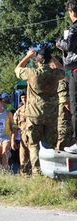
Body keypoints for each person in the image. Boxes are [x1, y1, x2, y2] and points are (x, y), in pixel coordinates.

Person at [15, 48, 65, 175]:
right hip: (51, 114)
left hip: (34, 114)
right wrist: (52, 57)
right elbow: (66, 71)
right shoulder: (56, 74)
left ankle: (37, 172)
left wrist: (28, 56)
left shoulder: (32, 73)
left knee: (33, 145)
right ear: (49, 60)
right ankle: (51, 171)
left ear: (37, 61)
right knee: (50, 144)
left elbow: (17, 69)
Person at [56, 0, 77, 153]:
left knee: (75, 105)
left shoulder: (74, 28)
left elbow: (68, 45)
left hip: (74, 69)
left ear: (72, 12)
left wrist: (59, 42)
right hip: (70, 69)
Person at [13, 93, 30, 175]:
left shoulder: (34, 109)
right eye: (22, 98)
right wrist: (13, 140)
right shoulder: (19, 111)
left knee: (34, 156)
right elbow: (15, 127)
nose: (24, 99)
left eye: (25, 97)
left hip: (34, 136)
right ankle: (24, 174)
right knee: (23, 157)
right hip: (23, 136)